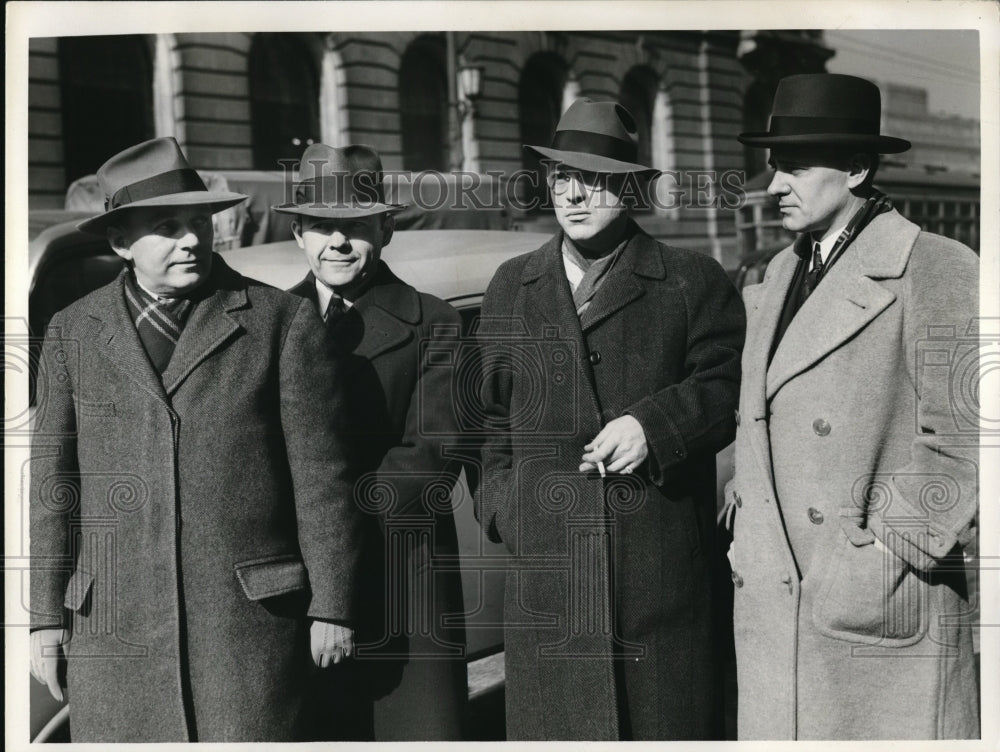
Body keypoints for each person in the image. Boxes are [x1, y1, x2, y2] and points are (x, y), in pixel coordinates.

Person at [28, 137, 361, 742]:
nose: (191, 239)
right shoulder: (72, 330)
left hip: (247, 630)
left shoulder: (277, 321)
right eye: (166, 227)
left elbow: (321, 475)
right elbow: (55, 485)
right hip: (114, 631)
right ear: (120, 242)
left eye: (199, 222)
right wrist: (45, 619)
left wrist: (331, 605)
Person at [474, 98, 746, 740]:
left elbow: (732, 386)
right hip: (549, 584)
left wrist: (656, 424)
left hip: (659, 581)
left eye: (594, 178)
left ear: (629, 185)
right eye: (562, 177)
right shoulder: (512, 285)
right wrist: (507, 510)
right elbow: (483, 421)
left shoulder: (691, 281)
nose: (574, 194)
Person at [729, 73, 979, 740]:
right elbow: (760, 414)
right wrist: (742, 505)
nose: (774, 183)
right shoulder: (779, 271)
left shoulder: (937, 268)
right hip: (778, 604)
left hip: (876, 605)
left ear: (859, 168)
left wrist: (872, 559)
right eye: (774, 164)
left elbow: (970, 444)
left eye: (797, 166)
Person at [275, 143, 468, 740]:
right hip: (296, 588)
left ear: (385, 229)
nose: (338, 242)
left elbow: (435, 451)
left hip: (401, 578)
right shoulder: (269, 322)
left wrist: (329, 519)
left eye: (355, 227)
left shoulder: (433, 321)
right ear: (300, 235)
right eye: (322, 227)